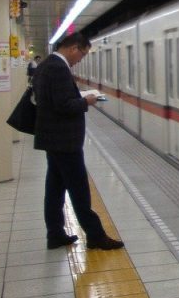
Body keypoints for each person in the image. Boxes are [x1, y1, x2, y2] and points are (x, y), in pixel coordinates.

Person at [33, 34, 124, 250]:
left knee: (55, 189)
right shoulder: (58, 68)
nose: (80, 60)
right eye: (82, 55)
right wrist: (86, 101)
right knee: (79, 189)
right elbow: (64, 105)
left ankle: (55, 233)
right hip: (65, 140)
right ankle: (96, 235)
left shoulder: (46, 65)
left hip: (54, 139)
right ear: (74, 48)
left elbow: (55, 100)